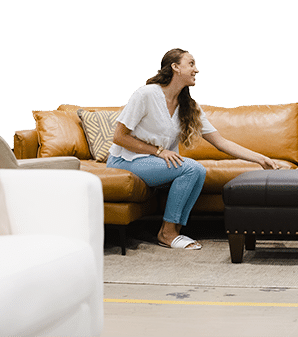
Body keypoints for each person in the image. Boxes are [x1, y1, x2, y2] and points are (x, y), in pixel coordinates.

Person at [107, 48, 279, 250]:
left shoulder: (188, 105)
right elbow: (119, 137)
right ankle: (167, 233)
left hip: (153, 164)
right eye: (191, 64)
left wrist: (260, 159)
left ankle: (174, 230)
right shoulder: (146, 94)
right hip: (126, 161)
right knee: (191, 168)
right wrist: (158, 151)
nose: (196, 70)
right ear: (175, 67)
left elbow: (220, 142)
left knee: (198, 171)